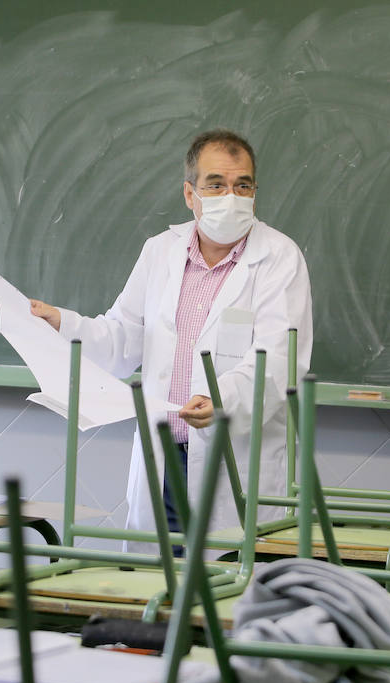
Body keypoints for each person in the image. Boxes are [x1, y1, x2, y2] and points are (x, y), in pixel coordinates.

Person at [29, 129, 313, 547]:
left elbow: (278, 360)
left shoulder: (279, 257)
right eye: (215, 184)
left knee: (226, 591)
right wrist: (64, 325)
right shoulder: (160, 251)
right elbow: (123, 337)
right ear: (189, 193)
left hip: (233, 458)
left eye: (243, 186)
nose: (230, 196)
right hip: (163, 458)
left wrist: (223, 398)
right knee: (157, 587)